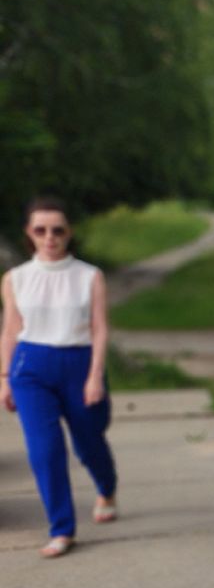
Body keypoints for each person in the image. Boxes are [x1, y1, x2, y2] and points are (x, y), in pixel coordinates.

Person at [1, 196, 118, 558]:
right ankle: (62, 528)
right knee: (45, 449)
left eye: (57, 230)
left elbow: (99, 328)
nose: (49, 237)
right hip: (30, 367)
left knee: (89, 441)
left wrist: (94, 376)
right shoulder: (16, 278)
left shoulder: (89, 276)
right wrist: (4, 377)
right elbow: (11, 329)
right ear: (29, 233)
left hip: (79, 363)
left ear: (68, 232)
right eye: (40, 230)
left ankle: (106, 488)